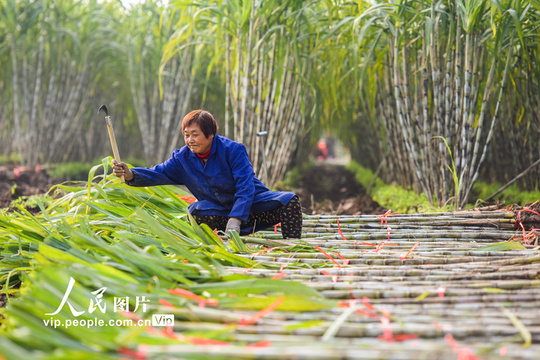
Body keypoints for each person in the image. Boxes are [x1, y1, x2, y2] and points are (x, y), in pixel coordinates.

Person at [112, 109, 302, 239]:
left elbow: (246, 187)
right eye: (186, 135)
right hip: (220, 214)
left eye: (195, 134)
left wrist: (236, 219)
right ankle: (219, 242)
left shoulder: (233, 150)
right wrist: (129, 173)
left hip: (253, 208)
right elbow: (157, 173)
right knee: (196, 211)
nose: (190, 140)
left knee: (290, 200)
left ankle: (291, 246)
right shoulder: (181, 159)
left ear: (211, 134)